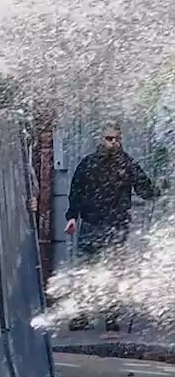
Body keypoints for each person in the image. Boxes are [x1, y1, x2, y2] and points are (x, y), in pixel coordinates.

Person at [65, 122, 159, 338]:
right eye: (109, 139)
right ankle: (81, 316)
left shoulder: (127, 164)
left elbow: (143, 188)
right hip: (91, 225)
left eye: (117, 139)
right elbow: (76, 192)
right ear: (101, 139)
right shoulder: (88, 164)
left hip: (116, 227)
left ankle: (111, 319)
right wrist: (71, 217)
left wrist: (156, 190)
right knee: (85, 272)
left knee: (114, 273)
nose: (114, 143)